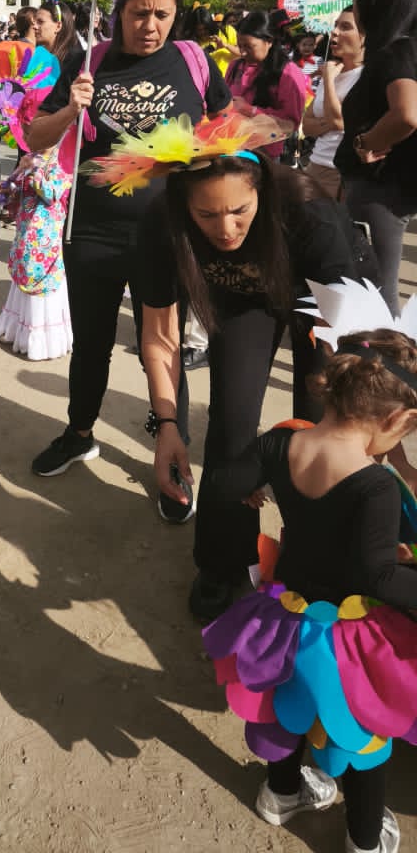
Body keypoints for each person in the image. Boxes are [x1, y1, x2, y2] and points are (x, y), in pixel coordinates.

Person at [202, 299, 417, 853]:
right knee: (364, 734)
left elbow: (226, 485)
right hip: (347, 635)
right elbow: (378, 575)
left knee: (284, 707)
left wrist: (260, 489)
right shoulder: (375, 485)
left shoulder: (279, 442)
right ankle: (365, 838)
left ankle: (280, 795)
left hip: (283, 613)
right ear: (395, 420)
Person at [133, 139, 374, 620]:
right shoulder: (161, 221)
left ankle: (316, 568)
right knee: (230, 425)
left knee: (321, 427)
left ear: (261, 190)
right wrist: (166, 426)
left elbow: (343, 335)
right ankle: (223, 563)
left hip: (324, 304)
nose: (225, 230)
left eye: (239, 211)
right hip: (243, 300)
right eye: (206, 216)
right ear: (184, 206)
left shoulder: (309, 211)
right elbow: (160, 336)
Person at [24, 0, 230, 485]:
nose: (151, 26)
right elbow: (35, 138)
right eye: (140, 13)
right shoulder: (88, 62)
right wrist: (71, 109)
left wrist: (201, 159)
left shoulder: (193, 61)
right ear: (118, 12)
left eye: (163, 14)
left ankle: (171, 444)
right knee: (91, 342)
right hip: (92, 230)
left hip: (165, 234)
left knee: (158, 346)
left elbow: (226, 130)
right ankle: (79, 432)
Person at [336, 0, 417, 314]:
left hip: (379, 192)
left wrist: (365, 142)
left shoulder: (395, 53)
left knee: (376, 295)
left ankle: (388, 367)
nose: (355, 7)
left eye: (358, 0)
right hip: (392, 191)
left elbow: (406, 114)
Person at [0, 146, 73, 360]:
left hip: (47, 227)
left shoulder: (65, 160)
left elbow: (51, 194)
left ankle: (41, 338)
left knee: (41, 276)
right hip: (25, 225)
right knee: (24, 268)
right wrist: (7, 187)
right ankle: (16, 328)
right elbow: (18, 191)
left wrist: (34, 171)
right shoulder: (29, 157)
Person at [226, 10, 307, 160]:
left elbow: (290, 124)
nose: (242, 53)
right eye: (240, 46)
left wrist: (251, 110)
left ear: (269, 42)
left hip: (263, 155)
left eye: (249, 47)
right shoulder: (235, 66)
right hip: (231, 148)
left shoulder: (288, 72)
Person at [301, 7, 364, 199]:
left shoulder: (365, 77)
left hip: (340, 174)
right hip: (314, 166)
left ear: (365, 37)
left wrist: (328, 80)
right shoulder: (333, 69)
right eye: (335, 25)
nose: (335, 32)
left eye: (345, 27)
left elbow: (338, 122)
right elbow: (307, 125)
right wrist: (330, 123)